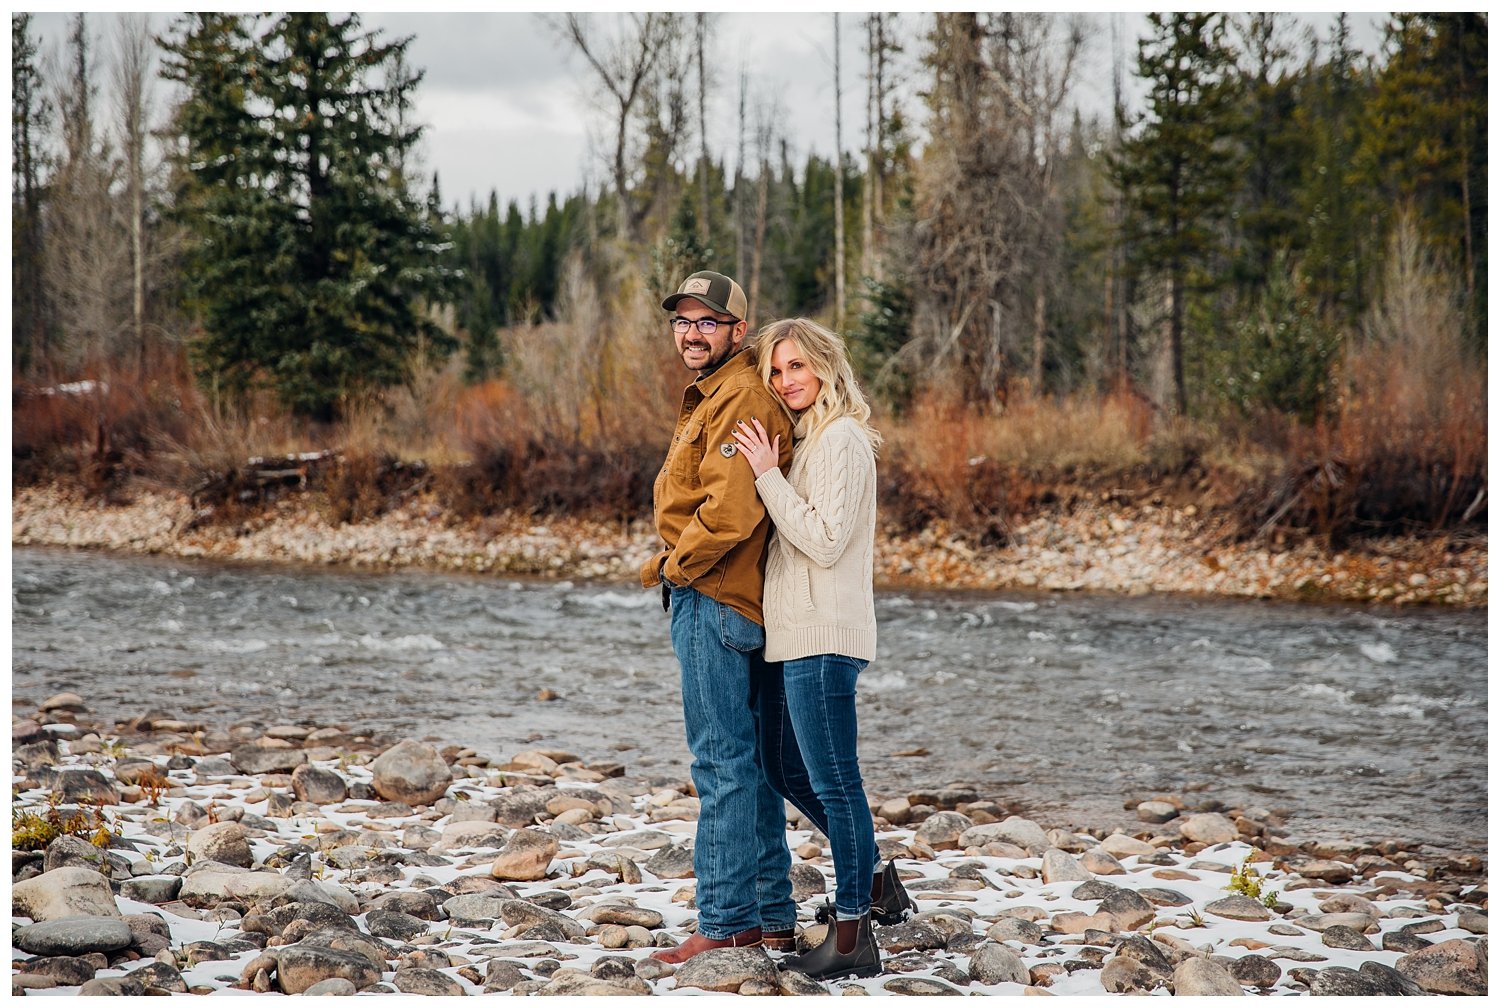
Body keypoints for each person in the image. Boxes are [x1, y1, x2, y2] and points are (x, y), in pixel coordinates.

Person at [730, 318, 913, 981]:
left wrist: (767, 478)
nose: (786, 381)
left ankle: (852, 936)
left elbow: (828, 539)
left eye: (797, 367)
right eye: (777, 371)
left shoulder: (842, 441)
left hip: (826, 638)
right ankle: (874, 884)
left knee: (838, 785)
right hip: (792, 639)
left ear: (828, 366)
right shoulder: (808, 440)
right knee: (783, 767)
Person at [640, 270, 800, 963]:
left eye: (708, 322)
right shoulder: (718, 394)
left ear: (739, 330)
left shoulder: (736, 395)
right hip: (735, 599)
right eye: (683, 321)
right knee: (754, 764)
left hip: (714, 596)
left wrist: (676, 568)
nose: (693, 333)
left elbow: (730, 512)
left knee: (722, 764)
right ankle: (769, 917)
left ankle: (726, 921)